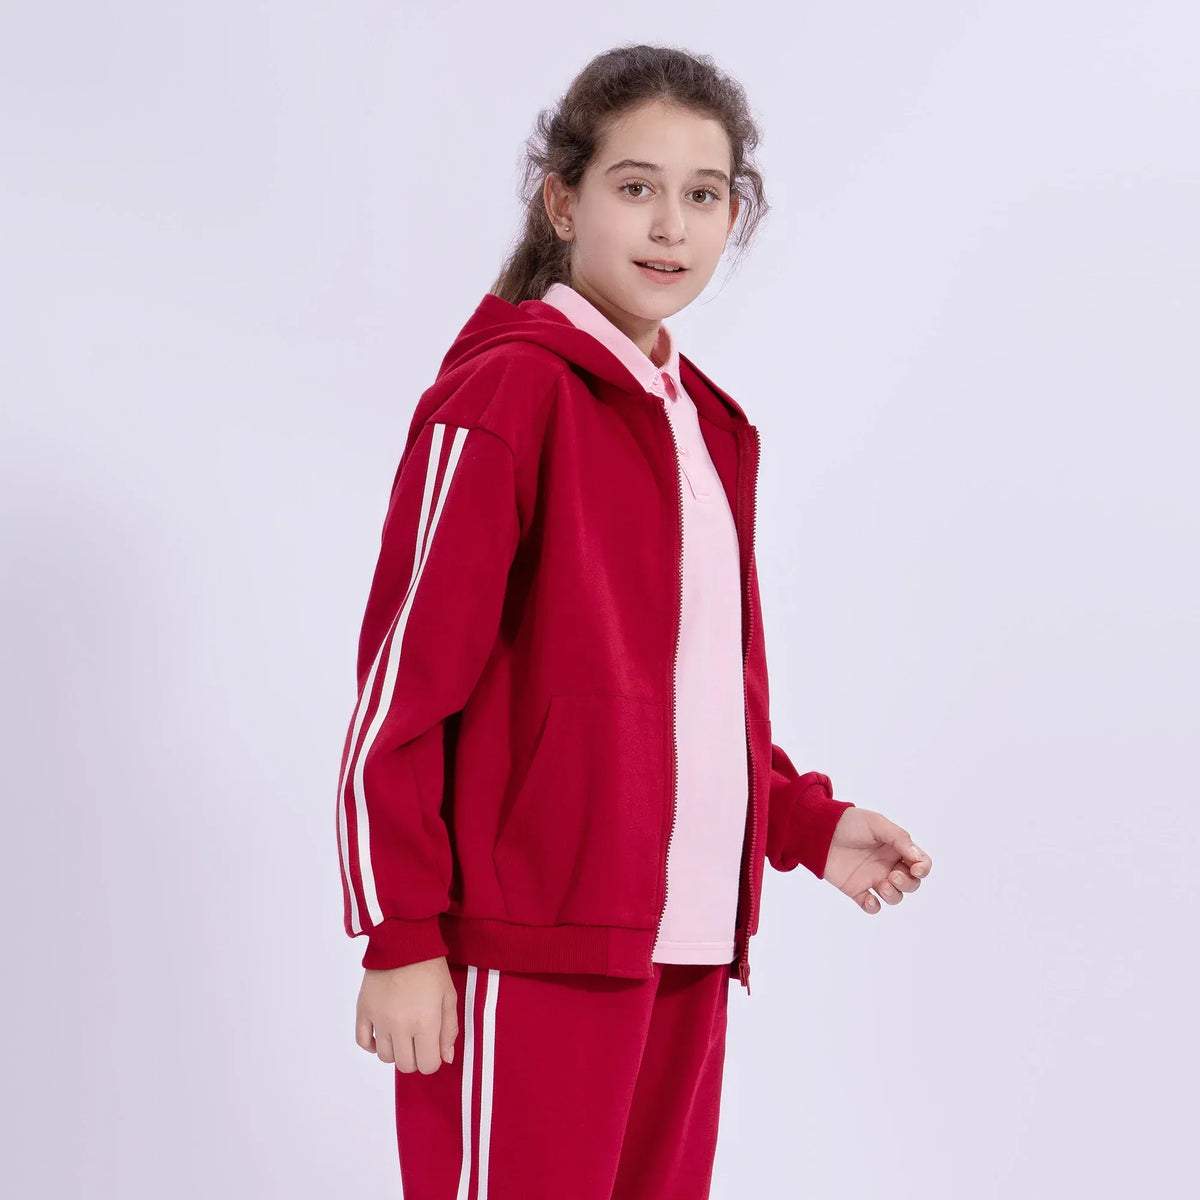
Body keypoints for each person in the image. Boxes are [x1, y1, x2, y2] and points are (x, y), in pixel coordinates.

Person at [334, 42, 933, 1200]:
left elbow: (676, 699)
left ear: (733, 218)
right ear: (564, 202)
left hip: (685, 950)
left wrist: (804, 823)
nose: (670, 225)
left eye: (703, 195)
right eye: (635, 186)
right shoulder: (506, 396)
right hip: (528, 950)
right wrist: (401, 935)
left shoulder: (703, 421)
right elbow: (401, 692)